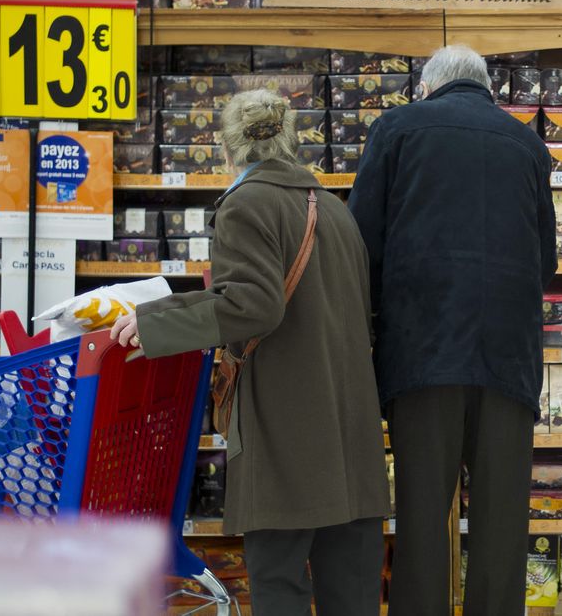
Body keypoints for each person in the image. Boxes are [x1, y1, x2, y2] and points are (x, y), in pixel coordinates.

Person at [112, 89, 389, 616]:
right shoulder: (334, 208)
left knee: (279, 583)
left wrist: (156, 336)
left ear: (226, 149)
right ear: (290, 139)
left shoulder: (244, 205)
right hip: (348, 430)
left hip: (285, 427)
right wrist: (154, 314)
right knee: (351, 588)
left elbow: (255, 306)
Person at [349, 45, 557, 616]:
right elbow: (547, 262)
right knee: (501, 517)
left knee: (421, 514)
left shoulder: (396, 129)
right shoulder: (528, 144)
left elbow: (361, 243)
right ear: (488, 87)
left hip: (422, 352)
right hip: (508, 360)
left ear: (427, 87)